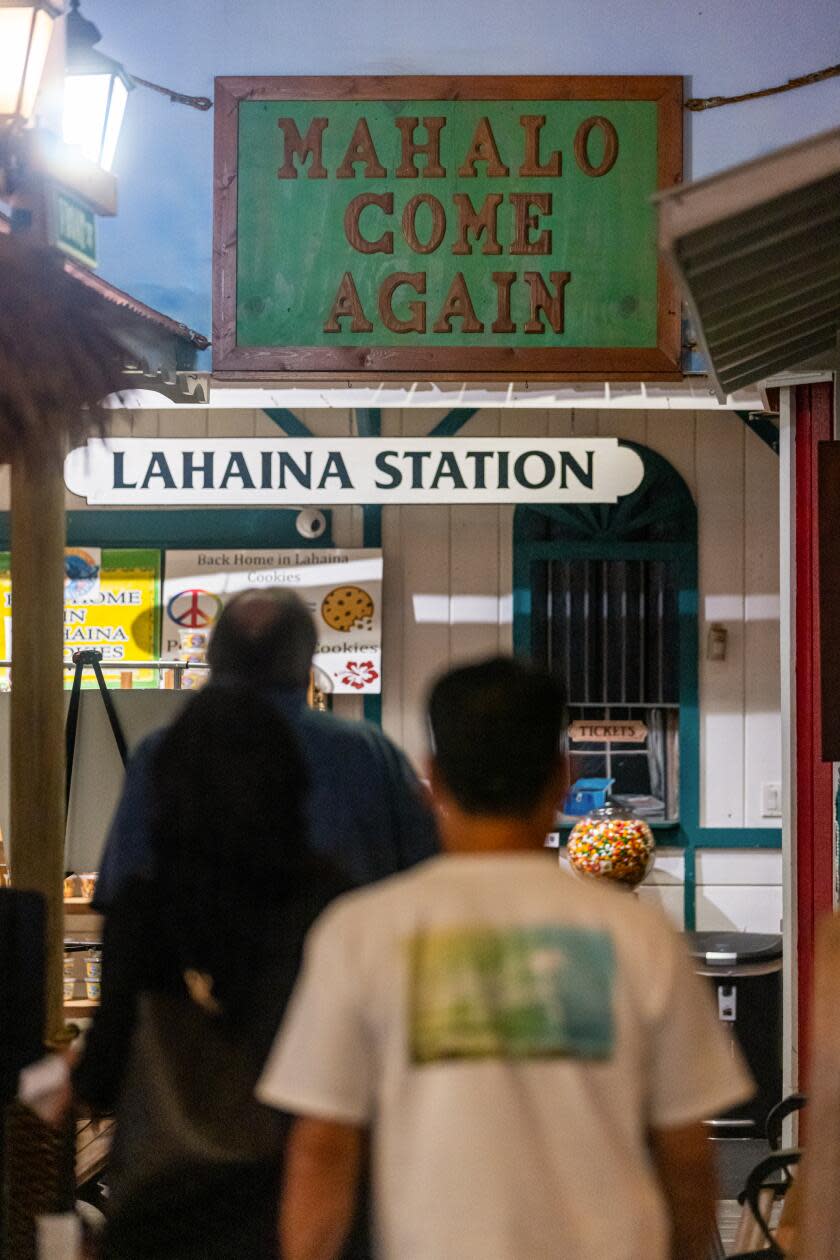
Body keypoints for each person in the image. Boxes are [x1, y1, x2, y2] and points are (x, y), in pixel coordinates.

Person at [258, 656, 754, 1260]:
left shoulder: (361, 933)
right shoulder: (638, 937)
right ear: (563, 777)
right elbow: (685, 1150)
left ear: (433, 781)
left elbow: (322, 1148)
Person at [73, 686, 368, 1260]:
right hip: (300, 1199)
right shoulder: (336, 907)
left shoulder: (147, 906)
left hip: (167, 1209)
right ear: (291, 785)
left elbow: (103, 1073)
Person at [93, 588, 437, 910]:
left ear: (214, 658)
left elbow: (123, 895)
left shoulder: (161, 753)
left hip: (198, 971)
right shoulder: (366, 753)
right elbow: (427, 877)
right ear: (307, 663)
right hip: (342, 965)